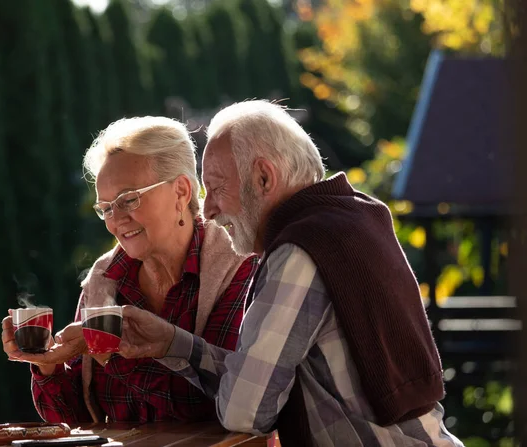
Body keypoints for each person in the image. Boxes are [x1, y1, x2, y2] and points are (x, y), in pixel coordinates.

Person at [114, 100, 465, 446]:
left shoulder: (299, 251)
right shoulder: (357, 215)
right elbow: (256, 385)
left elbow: (244, 411)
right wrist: (171, 343)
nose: (208, 211)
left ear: (264, 177)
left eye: (217, 187)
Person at [1, 117, 258, 424]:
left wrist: (109, 351)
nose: (116, 219)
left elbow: (215, 404)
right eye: (106, 208)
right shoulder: (104, 280)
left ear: (181, 191)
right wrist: (48, 365)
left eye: (128, 199)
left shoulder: (238, 267)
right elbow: (76, 419)